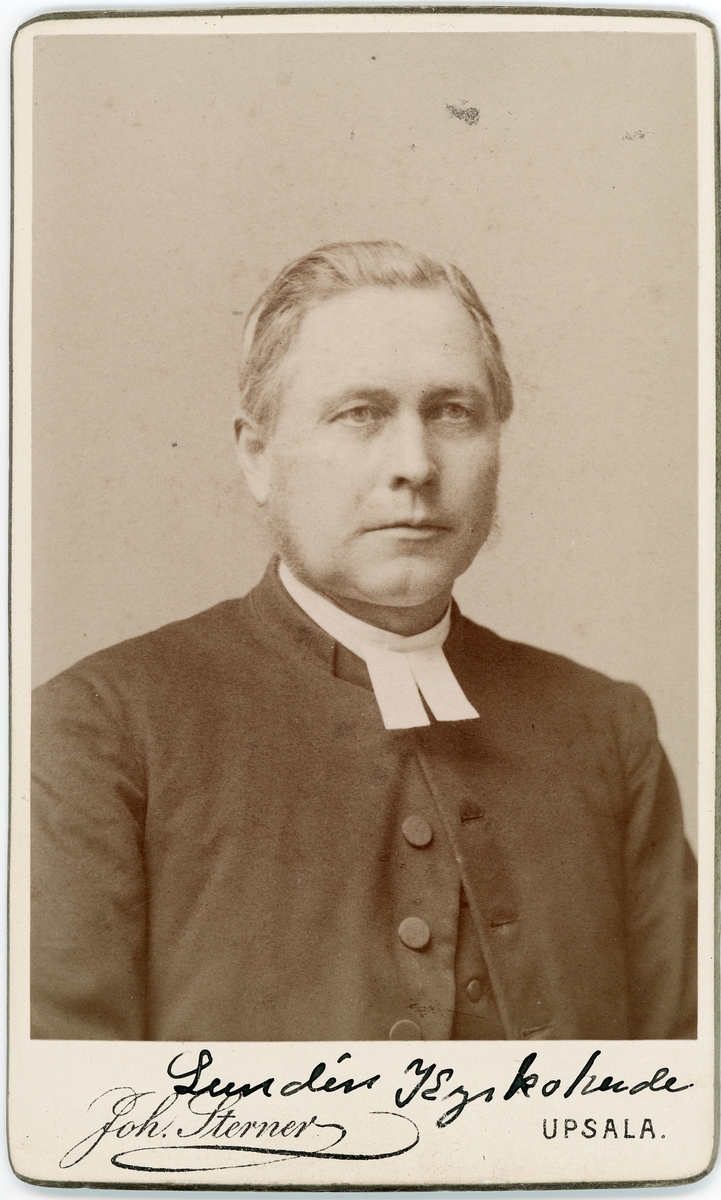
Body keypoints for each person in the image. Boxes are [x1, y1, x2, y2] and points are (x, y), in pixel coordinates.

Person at [31, 241, 697, 1042]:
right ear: (257, 457)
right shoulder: (102, 730)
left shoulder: (604, 728)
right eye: (360, 414)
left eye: (452, 412)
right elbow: (69, 1103)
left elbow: (686, 1085)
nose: (415, 465)